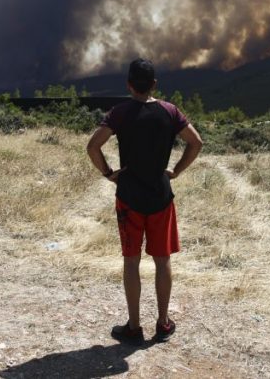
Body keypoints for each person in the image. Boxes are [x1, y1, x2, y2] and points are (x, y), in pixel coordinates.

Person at [86, 58, 203, 344]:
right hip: (161, 196)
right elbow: (196, 142)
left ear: (128, 84)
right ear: (154, 84)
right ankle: (163, 324)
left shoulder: (120, 113)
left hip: (129, 197)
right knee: (162, 262)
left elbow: (92, 146)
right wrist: (175, 170)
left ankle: (134, 327)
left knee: (131, 262)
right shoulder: (169, 111)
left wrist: (109, 173)